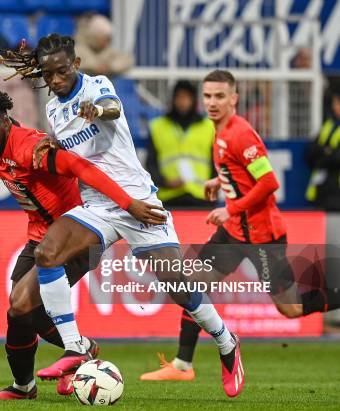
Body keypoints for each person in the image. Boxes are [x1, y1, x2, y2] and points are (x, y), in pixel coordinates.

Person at [0, 34, 244, 398]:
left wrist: (98, 111)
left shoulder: (97, 86)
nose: (57, 80)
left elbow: (110, 106)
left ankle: (226, 341)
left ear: (76, 65)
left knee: (177, 284)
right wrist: (50, 142)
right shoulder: (53, 109)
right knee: (47, 253)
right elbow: (71, 151)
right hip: (97, 206)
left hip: (138, 200)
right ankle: (75, 347)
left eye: (63, 71)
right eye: (49, 75)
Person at [0, 89, 163, 400]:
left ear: (6, 124)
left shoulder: (30, 147)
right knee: (18, 312)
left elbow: (82, 168)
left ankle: (78, 349)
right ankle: (25, 386)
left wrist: (128, 203)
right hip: (40, 236)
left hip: (74, 236)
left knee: (25, 306)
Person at [139, 70, 340, 382]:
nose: (212, 102)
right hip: (234, 233)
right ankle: (182, 365)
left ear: (234, 98)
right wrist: (220, 181)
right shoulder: (218, 131)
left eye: (220, 96)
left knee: (291, 309)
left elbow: (268, 181)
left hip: (263, 237)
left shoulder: (240, 133)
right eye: (207, 96)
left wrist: (229, 207)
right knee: (191, 283)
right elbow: (243, 172)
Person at [146, 80, 215, 208]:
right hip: (168, 196)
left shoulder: (209, 127)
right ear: (172, 99)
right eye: (179, 97)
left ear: (194, 100)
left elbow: (216, 163)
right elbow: (151, 162)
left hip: (201, 196)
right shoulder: (157, 126)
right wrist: (164, 182)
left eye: (186, 97)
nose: (182, 101)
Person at [305, 85, 340, 210]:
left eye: (337, 103)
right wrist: (328, 152)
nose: (334, 107)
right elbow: (310, 153)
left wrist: (325, 153)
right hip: (322, 191)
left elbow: (337, 158)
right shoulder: (328, 125)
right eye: (334, 103)